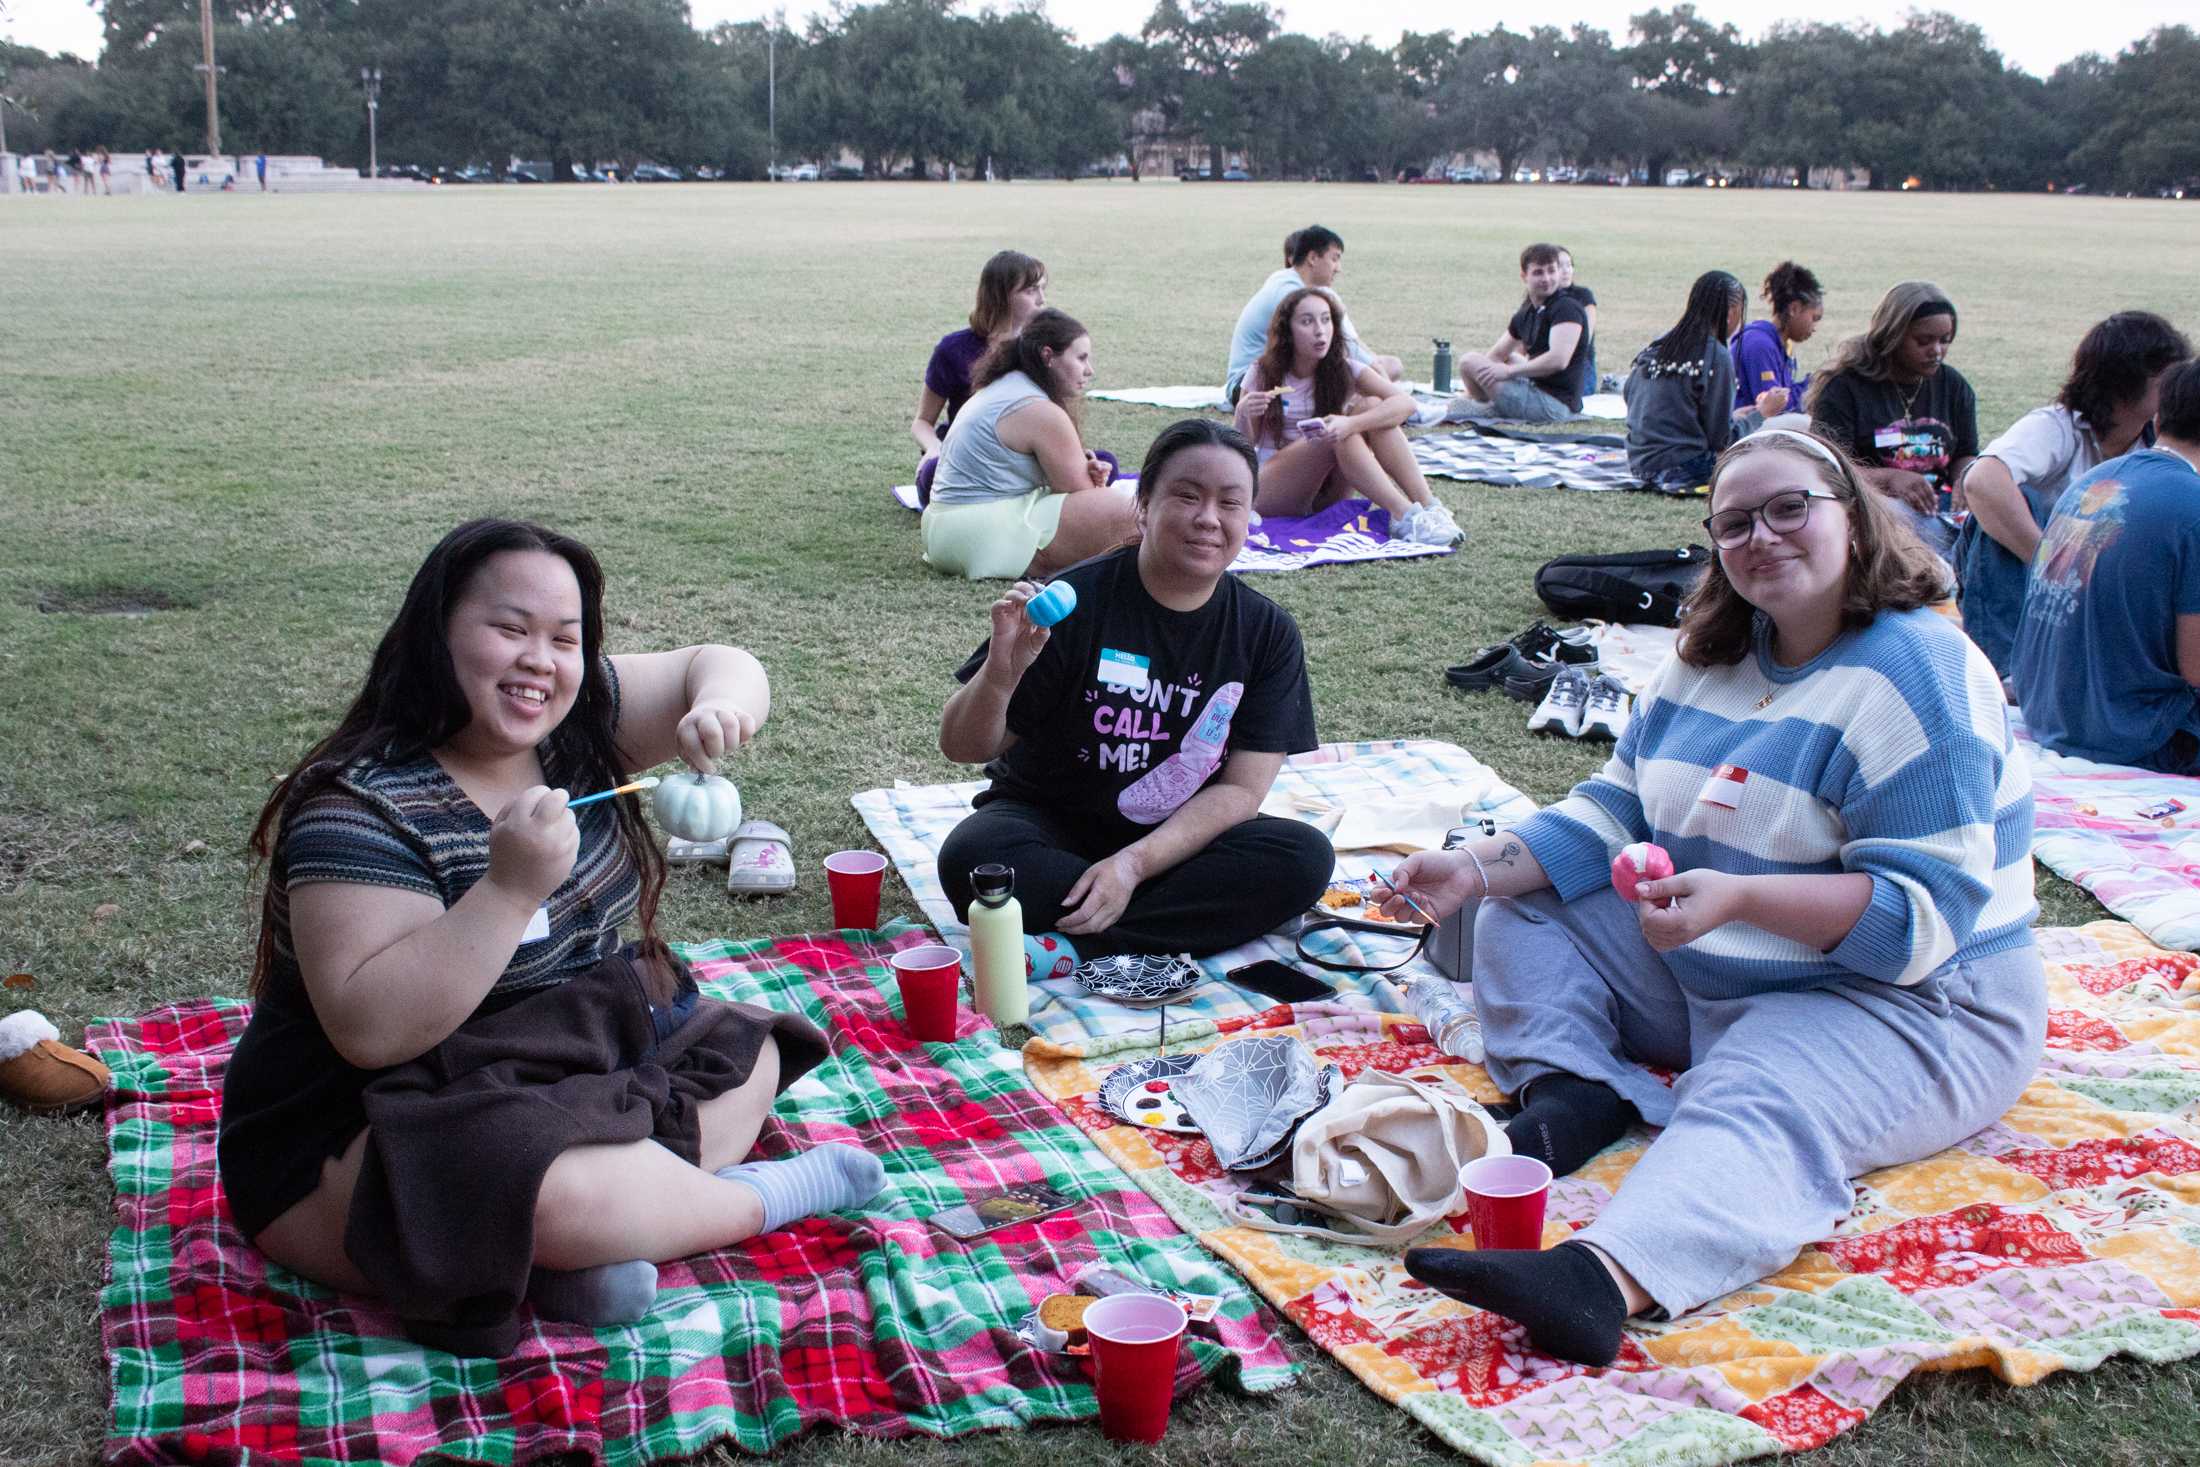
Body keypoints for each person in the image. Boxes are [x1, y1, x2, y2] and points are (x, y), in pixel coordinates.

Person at [1382, 426, 2041, 1367]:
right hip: (1721, 970)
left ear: (1851, 518)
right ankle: (1576, 1090)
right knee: (1528, 904)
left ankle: (1600, 1277)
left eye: (1788, 509)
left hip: (1916, 1003)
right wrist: (1481, 867)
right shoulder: (1708, 655)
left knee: (1756, 1083)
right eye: (1735, 522)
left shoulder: (1918, 671)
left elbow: (1918, 927)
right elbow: (1618, 805)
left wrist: (1739, 898)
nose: (1761, 536)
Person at [216, 519, 883, 1355]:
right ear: (436, 633)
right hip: (372, 1122)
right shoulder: (358, 809)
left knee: (751, 1054)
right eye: (510, 629)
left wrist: (721, 706)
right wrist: (506, 890)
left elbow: (718, 662)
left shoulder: (573, 720)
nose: (542, 659)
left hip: (559, 1062)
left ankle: (564, 1260)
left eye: (565, 638)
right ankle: (761, 1197)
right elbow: (371, 1031)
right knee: (534, 1178)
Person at [935, 418, 1335, 970]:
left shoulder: (1266, 633)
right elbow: (963, 746)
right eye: (1187, 496)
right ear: (1143, 505)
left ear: (1249, 517)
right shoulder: (1073, 601)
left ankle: (1075, 946)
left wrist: (1132, 866)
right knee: (972, 861)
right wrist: (1000, 674)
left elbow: (1242, 791)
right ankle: (1162, 927)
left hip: (1174, 845)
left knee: (1302, 858)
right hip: (1050, 825)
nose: (1208, 519)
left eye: (1230, 504)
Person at [1956, 313, 2192, 679]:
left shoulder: (2155, 447)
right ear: (2125, 381)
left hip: (2098, 587)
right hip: (2023, 574)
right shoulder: (2058, 427)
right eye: (2166, 378)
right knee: (2018, 499)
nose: (2175, 388)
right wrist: (2052, 562)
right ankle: (2003, 671)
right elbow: (1981, 482)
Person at [2010, 360, 2200, 771]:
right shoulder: (2193, 506)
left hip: (2049, 710)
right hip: (2130, 734)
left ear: (2160, 415)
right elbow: (2196, 666)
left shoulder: (2097, 478)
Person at [921, 308, 1138, 580]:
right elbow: (1083, 494)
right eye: (1081, 358)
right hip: (972, 535)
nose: (1089, 370)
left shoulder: (1003, 387)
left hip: (940, 530)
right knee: (1129, 512)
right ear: (1047, 356)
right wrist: (1092, 479)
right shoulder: (1039, 408)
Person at [1233, 285, 1461, 544]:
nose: (1320, 330)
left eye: (1326, 320)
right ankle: (1405, 515)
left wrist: (1353, 422)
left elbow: (1405, 404)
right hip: (1273, 490)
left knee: (1373, 405)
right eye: (1307, 322)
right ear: (1287, 331)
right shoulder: (1263, 372)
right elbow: (1238, 449)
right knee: (1333, 433)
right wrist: (1243, 413)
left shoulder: (1345, 369)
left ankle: (1430, 506)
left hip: (1329, 491)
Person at [1806, 281, 1976, 527]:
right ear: (1893, 336)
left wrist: (1968, 478)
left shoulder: (1953, 385)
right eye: (1924, 340)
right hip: (1874, 507)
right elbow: (1827, 467)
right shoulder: (1845, 388)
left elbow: (1965, 452)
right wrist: (1890, 479)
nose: (1937, 351)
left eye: (1945, 340)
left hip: (1939, 503)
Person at [1224, 224, 1401, 402]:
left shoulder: (1299, 285)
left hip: (1285, 375)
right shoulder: (1289, 294)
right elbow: (1341, 348)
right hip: (1248, 386)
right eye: (1335, 259)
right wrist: (1388, 391)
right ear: (1313, 258)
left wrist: (1377, 370)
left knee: (1391, 366)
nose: (1338, 268)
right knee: (1359, 378)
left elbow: (1353, 344)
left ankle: (1363, 398)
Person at [1622, 270, 1744, 491]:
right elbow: (1721, 439)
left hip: (1639, 463)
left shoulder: (1660, 345)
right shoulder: (1715, 354)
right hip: (1684, 465)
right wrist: (1760, 416)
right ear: (1732, 311)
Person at [1445, 243, 1592, 424]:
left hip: (1555, 406)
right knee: (1482, 361)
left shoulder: (1567, 308)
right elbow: (1498, 354)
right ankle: (1483, 405)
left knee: (1473, 361)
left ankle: (1485, 408)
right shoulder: (1527, 312)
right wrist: (1468, 393)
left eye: (1551, 271)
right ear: (1524, 276)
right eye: (1538, 272)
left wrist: (1508, 372)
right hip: (1537, 388)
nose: (1546, 278)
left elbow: (1558, 360)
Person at [1730, 261, 1823, 433]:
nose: (1814, 327)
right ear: (1794, 309)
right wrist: (1815, 386)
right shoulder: (1759, 345)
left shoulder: (1779, 344)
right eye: (1814, 318)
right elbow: (1775, 409)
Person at [1556, 246, 1599, 394]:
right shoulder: (1539, 299)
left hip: (1578, 368)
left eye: (1569, 265)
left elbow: (1584, 340)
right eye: (1560, 266)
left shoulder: (1583, 296)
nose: (1566, 270)